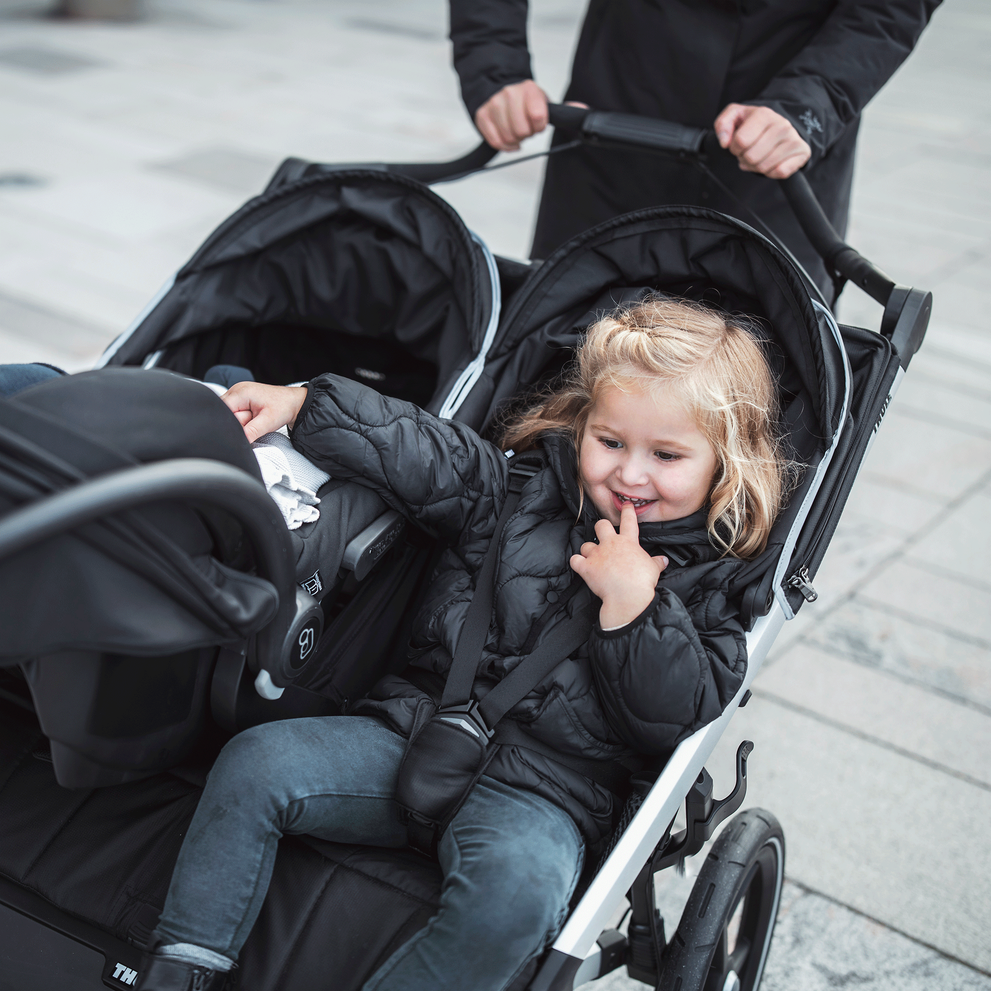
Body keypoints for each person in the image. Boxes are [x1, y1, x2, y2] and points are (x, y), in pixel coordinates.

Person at [135, 296, 794, 991]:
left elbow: (675, 712)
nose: (629, 475)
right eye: (609, 441)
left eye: (665, 455)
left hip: (550, 794)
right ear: (583, 423)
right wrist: (306, 405)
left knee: (518, 897)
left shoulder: (721, 581)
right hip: (408, 729)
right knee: (255, 764)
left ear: (725, 459)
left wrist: (634, 610)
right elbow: (420, 449)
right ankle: (182, 965)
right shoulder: (520, 488)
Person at [450, 0, 941, 299]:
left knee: (766, 386)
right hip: (618, 106)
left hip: (776, 140)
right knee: (557, 356)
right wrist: (495, 63)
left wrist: (809, 103)